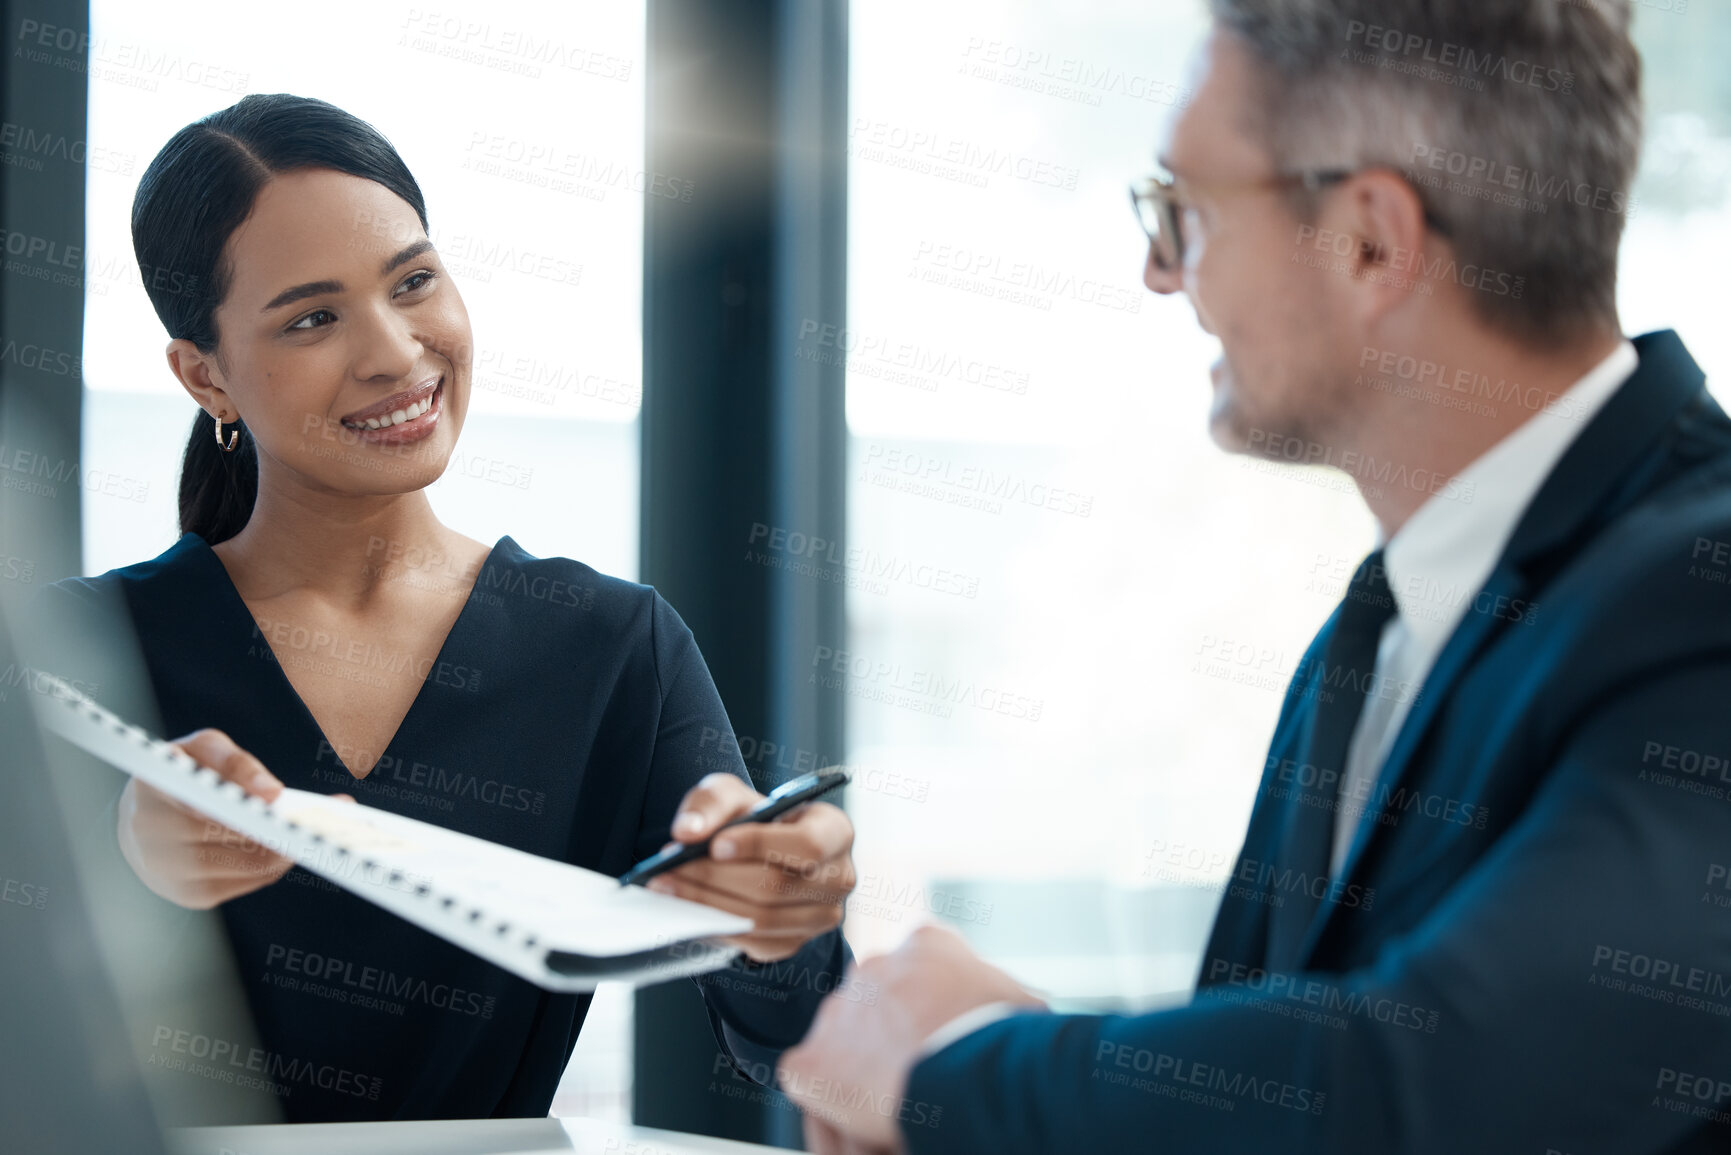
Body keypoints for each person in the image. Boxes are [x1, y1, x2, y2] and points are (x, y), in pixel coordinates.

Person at [777, 2, 1731, 1152]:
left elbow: (1457, 1084)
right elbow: (1302, 1086)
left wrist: (955, 1075)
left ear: (1371, 241)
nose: (1158, 271)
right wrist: (997, 1051)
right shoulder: (1367, 639)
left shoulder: (1703, 590)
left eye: (1187, 211)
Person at [39, 93, 856, 1124]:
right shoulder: (74, 658)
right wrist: (114, 877)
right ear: (206, 376)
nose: (392, 352)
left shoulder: (611, 649)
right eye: (311, 317)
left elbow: (800, 1044)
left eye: (414, 281)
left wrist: (779, 925)